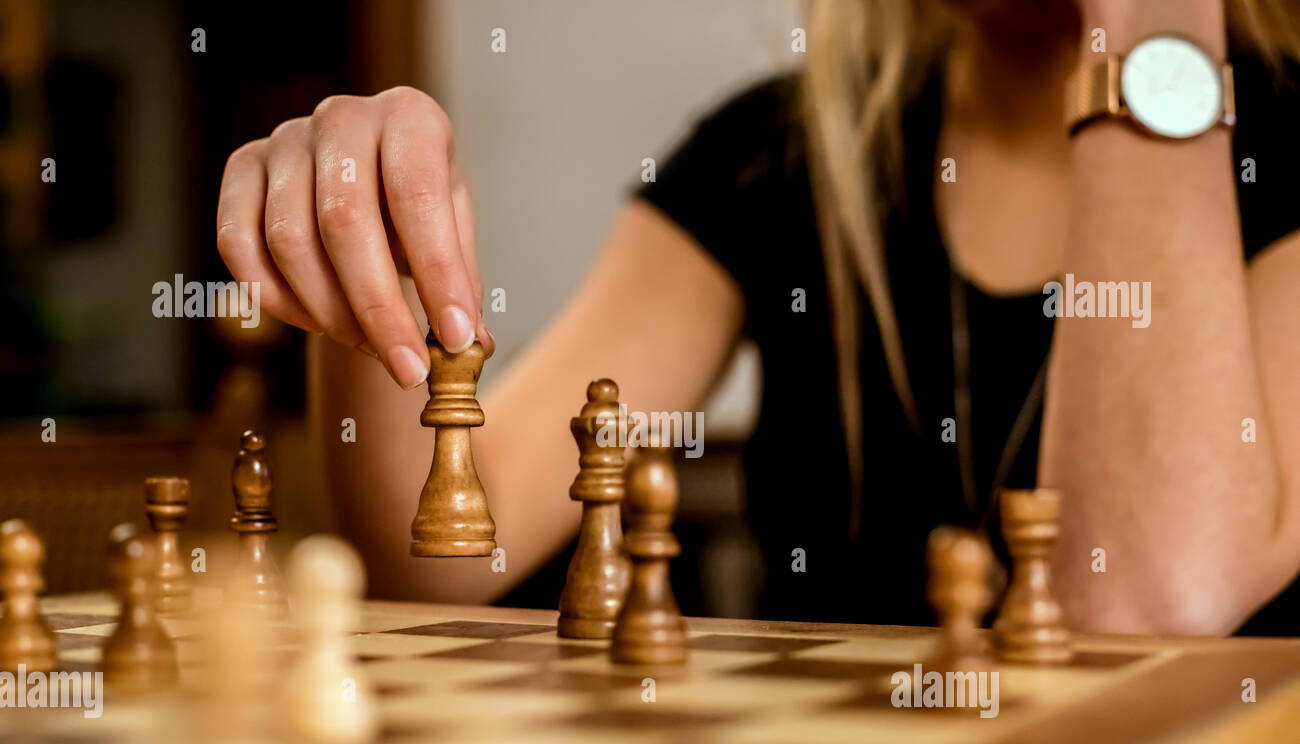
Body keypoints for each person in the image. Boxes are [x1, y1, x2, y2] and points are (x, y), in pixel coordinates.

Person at [215, 0, 1300, 634]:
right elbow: (445, 554)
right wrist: (373, 269)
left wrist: (1156, 35)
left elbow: (1140, 603)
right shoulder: (774, 154)